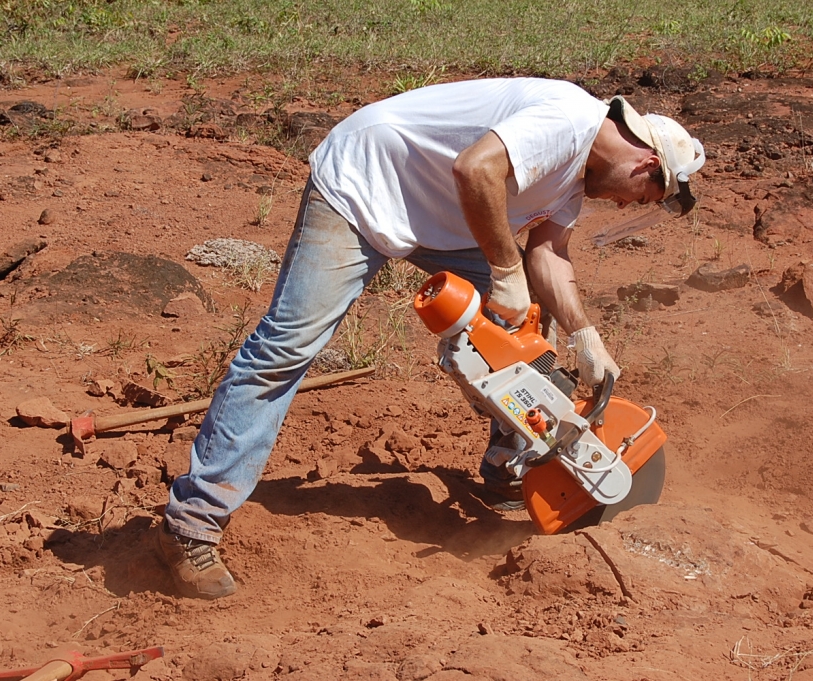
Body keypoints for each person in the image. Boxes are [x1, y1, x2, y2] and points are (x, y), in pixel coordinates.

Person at [156, 77, 705, 599]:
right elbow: (476, 170)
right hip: (363, 186)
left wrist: (586, 336)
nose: (629, 207)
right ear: (647, 164)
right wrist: (504, 272)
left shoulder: (575, 182)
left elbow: (548, 256)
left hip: (444, 220)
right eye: (645, 198)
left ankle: (510, 463)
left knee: (527, 325)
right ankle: (191, 526)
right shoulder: (568, 120)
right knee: (286, 349)